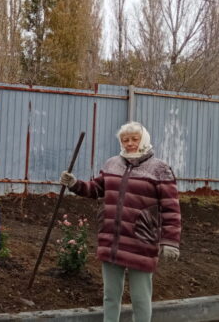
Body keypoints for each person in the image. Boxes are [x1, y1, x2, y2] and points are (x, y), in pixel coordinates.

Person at [60, 121, 181, 322]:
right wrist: (74, 184)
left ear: (144, 139)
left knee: (140, 299)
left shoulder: (160, 169)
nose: (130, 143)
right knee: (110, 296)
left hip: (141, 240)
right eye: (125, 140)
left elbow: (171, 208)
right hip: (112, 239)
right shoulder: (112, 164)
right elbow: (97, 189)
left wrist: (170, 241)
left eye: (135, 139)